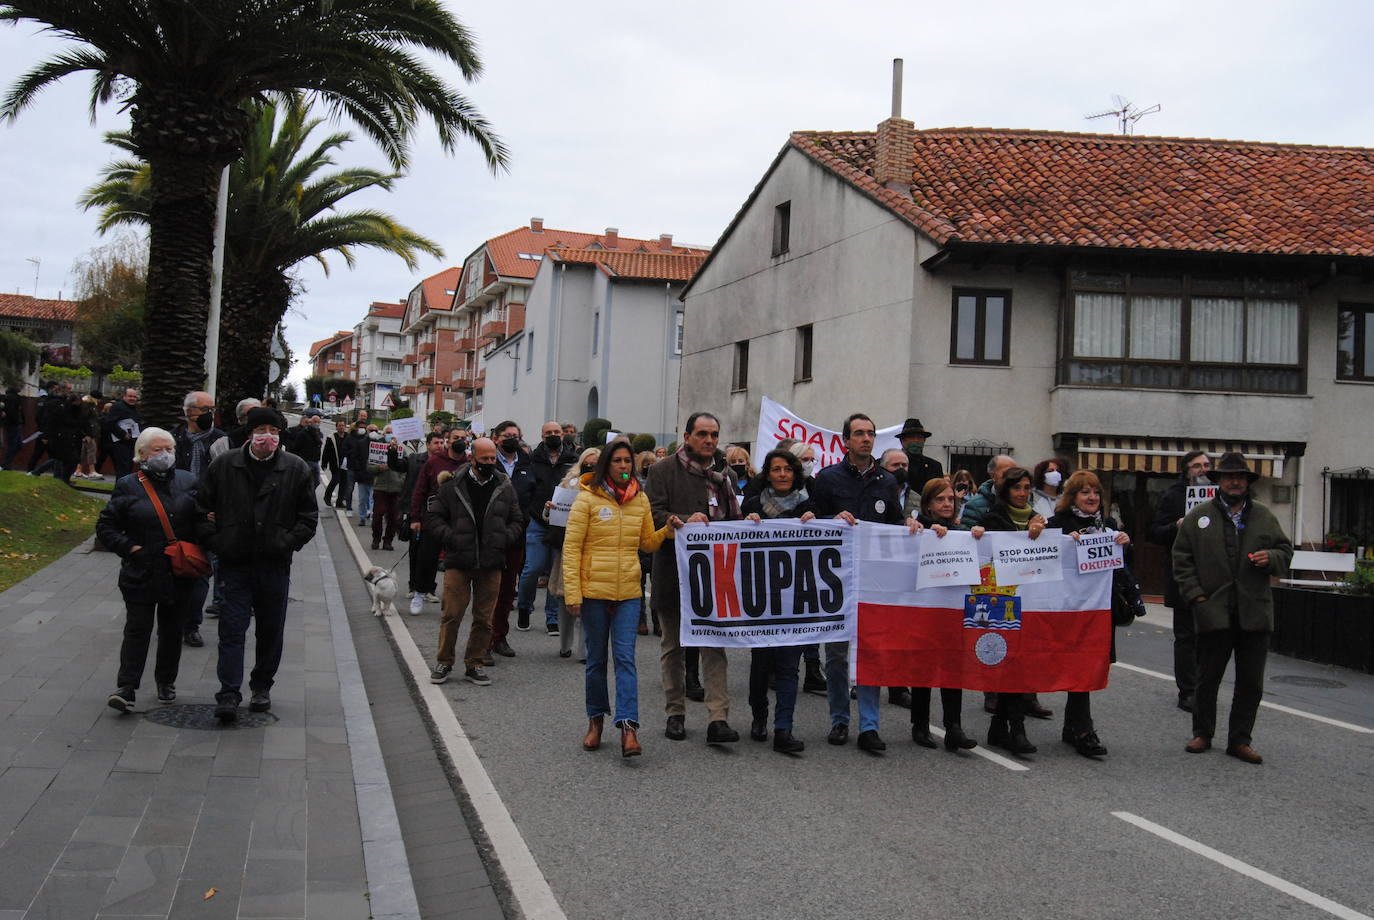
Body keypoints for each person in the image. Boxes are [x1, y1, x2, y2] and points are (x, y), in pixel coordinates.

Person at [197, 406, 319, 723]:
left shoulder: (295, 469)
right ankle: (228, 693)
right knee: (232, 629)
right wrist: (219, 541)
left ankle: (261, 686)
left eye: (275, 431)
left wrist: (287, 541)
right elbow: (201, 509)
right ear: (250, 433)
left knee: (270, 630)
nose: (268, 436)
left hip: (274, 564)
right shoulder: (226, 465)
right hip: (235, 561)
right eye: (262, 430)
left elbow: (308, 517)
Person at [809, 412, 921, 753]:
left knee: (871, 652)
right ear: (846, 440)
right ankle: (840, 720)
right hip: (838, 581)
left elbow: (891, 525)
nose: (866, 439)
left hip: (874, 581)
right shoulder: (827, 479)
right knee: (838, 656)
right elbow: (811, 520)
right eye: (859, 433)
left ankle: (870, 726)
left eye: (870, 433)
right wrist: (831, 519)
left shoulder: (887, 481)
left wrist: (907, 526)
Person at [563, 438, 681, 757]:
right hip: (593, 592)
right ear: (606, 464)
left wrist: (667, 531)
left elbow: (646, 544)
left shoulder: (639, 500)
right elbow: (571, 548)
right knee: (597, 661)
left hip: (628, 591)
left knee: (626, 659)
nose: (624, 466)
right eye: (617, 461)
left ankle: (629, 728)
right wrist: (572, 592)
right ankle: (595, 721)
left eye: (628, 461)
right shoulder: (586, 499)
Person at [1173, 452, 1293, 765]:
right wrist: (1196, 596)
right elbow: (1182, 559)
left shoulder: (1264, 515)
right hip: (1214, 610)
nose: (1235, 481)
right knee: (1207, 678)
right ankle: (1203, 733)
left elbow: (1285, 550)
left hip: (1255, 612)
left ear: (1248, 482)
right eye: (1228, 476)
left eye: (1240, 477)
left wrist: (1272, 558)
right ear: (1218, 481)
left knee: (1250, 683)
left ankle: (1240, 741)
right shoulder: (1200, 516)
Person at [645, 411, 742, 744]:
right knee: (672, 646)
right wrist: (684, 520)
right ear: (687, 437)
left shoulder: (724, 474)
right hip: (674, 571)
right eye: (702, 434)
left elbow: (734, 519)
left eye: (714, 435)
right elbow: (652, 514)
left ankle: (718, 717)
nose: (709, 440)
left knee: (714, 646)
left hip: (715, 575)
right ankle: (675, 712)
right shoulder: (661, 471)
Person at [96, 427, 202, 711]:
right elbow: (106, 526)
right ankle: (127, 686)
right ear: (142, 454)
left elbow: (201, 520)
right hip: (141, 570)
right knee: (137, 629)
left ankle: (166, 682)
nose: (165, 455)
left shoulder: (189, 481)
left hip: (178, 571)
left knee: (171, 630)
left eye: (169, 449)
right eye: (157, 450)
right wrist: (132, 549)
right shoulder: (129, 485)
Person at [425, 437, 526, 686]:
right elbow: (434, 517)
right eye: (484, 459)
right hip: (459, 561)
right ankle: (444, 661)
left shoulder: (504, 485)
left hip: (491, 563)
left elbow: (517, 519)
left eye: (493, 459)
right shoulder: (452, 485)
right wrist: (452, 538)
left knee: (484, 618)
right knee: (452, 614)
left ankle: (475, 663)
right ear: (472, 458)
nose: (489, 463)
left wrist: (504, 538)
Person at [1046, 471, 1127, 757]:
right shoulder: (1056, 525)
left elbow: (1121, 569)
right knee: (1050, 661)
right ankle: (1012, 719)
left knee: (1085, 664)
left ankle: (1080, 728)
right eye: (1085, 492)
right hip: (1063, 609)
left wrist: (1124, 544)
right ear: (1072, 497)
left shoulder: (1108, 525)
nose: (1092, 497)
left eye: (1095, 492)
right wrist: (1065, 542)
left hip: (1094, 610)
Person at [740, 448, 816, 754]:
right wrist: (748, 520)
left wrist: (816, 521)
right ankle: (760, 715)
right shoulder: (754, 503)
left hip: (795, 597)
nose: (782, 474)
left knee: (789, 666)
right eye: (776, 469)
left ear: (794, 473)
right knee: (761, 665)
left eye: (787, 469)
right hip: (763, 597)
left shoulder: (808, 505)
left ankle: (784, 728)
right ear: (767, 474)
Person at [909, 477, 983, 751]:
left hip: (952, 610)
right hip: (925, 610)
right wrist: (924, 531)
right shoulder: (921, 531)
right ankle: (920, 723)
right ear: (928, 504)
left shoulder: (960, 531)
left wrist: (976, 536)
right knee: (925, 667)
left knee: (953, 666)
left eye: (951, 499)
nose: (947, 504)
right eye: (940, 499)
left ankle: (954, 726)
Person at [979, 466, 1047, 755]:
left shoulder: (1038, 519)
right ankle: (1015, 729)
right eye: (1017, 488)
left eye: (1027, 487)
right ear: (1006, 491)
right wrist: (1026, 538)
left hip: (1028, 602)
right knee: (1008, 663)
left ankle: (1000, 726)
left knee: (1019, 663)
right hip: (999, 600)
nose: (1022, 493)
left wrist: (1042, 534)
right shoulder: (993, 517)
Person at [1148, 450, 1211, 713]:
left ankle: (1205, 687)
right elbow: (1155, 533)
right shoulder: (1173, 495)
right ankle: (1187, 691)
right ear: (1186, 470)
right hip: (1183, 574)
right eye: (1197, 466)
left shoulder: (1220, 497)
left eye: (1206, 465)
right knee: (1186, 636)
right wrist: (1177, 525)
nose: (1202, 470)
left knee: (1209, 635)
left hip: (1213, 576)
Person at [169, 390, 225, 648]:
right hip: (173, 514)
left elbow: (229, 479)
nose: (211, 415)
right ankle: (170, 622)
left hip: (206, 517)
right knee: (171, 571)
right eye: (206, 410)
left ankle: (192, 625)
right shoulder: (172, 438)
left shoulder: (220, 441)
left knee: (201, 571)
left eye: (212, 410)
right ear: (189, 412)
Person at [516, 421, 578, 635]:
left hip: (562, 524)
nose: (553, 435)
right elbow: (526, 490)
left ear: (562, 435)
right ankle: (524, 608)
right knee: (532, 568)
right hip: (537, 521)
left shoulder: (573, 460)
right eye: (548, 433)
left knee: (556, 571)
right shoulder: (532, 459)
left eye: (556, 432)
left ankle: (552, 618)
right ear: (542, 436)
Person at [545, 449, 600, 657]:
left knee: (589, 598)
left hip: (594, 547)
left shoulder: (606, 487)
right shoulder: (568, 483)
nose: (591, 467)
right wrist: (550, 509)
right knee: (565, 596)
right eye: (588, 463)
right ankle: (565, 644)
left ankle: (584, 650)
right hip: (568, 545)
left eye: (596, 464)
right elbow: (551, 516)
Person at [408, 427, 469, 614]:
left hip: (459, 519)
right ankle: (419, 592)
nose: (459, 440)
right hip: (434, 517)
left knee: (457, 560)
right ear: (448, 440)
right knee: (427, 558)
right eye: (455, 438)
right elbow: (420, 490)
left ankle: (453, 599)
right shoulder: (434, 462)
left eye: (463, 438)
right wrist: (415, 518)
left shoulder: (470, 464)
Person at [490, 420, 531, 657]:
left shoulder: (526, 463)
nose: (512, 439)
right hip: (490, 536)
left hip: (516, 536)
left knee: (507, 591)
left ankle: (500, 637)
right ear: (496, 438)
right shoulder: (487, 460)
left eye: (516, 435)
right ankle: (483, 640)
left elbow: (532, 494)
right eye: (507, 435)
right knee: (488, 591)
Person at [958, 454, 1016, 528]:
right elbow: (966, 536)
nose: (1013, 477)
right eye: (1007, 473)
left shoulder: (1025, 503)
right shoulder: (975, 506)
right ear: (993, 475)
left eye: (1016, 473)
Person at [370, 431, 406, 550]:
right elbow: (369, 467)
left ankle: (388, 541)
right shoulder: (377, 448)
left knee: (393, 517)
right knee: (377, 515)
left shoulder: (401, 450)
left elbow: (405, 468)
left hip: (396, 489)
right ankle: (376, 538)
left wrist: (401, 481)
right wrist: (379, 467)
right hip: (380, 487)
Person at [897, 417, 944, 492]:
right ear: (902, 441)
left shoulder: (934, 466)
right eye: (911, 437)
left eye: (919, 437)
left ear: (924, 441)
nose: (916, 441)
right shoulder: (893, 464)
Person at [104, 387, 143, 479]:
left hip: (131, 442)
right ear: (124, 396)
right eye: (130, 396)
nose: (132, 398)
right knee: (123, 469)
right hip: (120, 443)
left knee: (128, 468)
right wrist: (122, 434)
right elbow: (110, 423)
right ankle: (120, 491)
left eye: (134, 397)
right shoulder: (117, 407)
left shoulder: (134, 409)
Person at [286, 409, 325, 485]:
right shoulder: (303, 433)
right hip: (306, 460)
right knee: (305, 480)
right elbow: (296, 446)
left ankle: (309, 494)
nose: (317, 424)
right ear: (311, 422)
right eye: (315, 422)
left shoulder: (318, 433)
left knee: (316, 481)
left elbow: (319, 444)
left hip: (315, 460)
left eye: (318, 422)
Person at [322, 419, 352, 509]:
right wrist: (324, 463)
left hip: (346, 464)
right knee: (335, 480)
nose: (341, 427)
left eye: (343, 425)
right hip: (335, 464)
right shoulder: (331, 438)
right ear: (336, 427)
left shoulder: (348, 437)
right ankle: (327, 496)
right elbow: (326, 451)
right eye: (340, 425)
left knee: (344, 482)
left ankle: (340, 501)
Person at [880, 448, 919, 518]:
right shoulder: (873, 492)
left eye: (904, 465)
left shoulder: (917, 498)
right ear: (883, 467)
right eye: (895, 465)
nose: (901, 468)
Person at [1, 383, 24, 470]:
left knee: (17, 445)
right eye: (20, 385)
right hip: (13, 424)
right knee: (12, 445)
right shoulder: (11, 397)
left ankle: (6, 463)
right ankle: (6, 464)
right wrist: (17, 421)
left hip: (15, 424)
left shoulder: (13, 397)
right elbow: (11, 412)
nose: (21, 387)